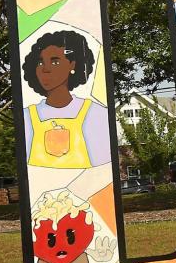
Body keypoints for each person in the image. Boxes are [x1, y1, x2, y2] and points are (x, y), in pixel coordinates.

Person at [22, 30, 110, 168]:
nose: (45, 69)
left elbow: (103, 169)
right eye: (40, 63)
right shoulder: (26, 117)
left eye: (55, 62)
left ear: (72, 65)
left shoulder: (96, 114)